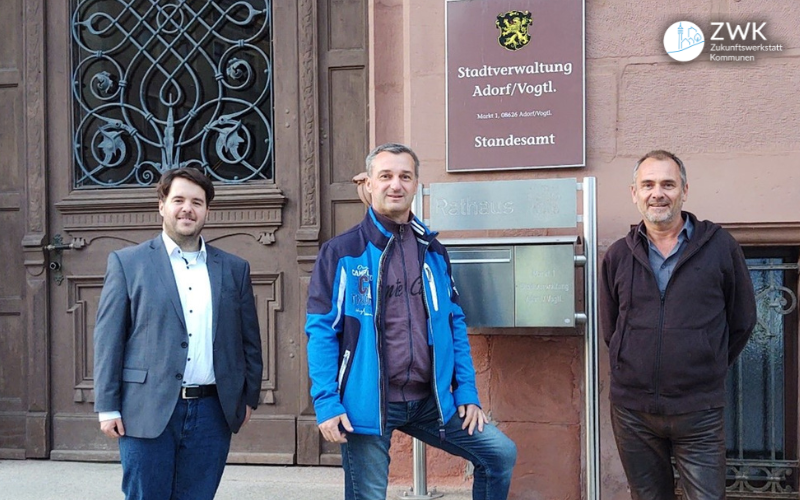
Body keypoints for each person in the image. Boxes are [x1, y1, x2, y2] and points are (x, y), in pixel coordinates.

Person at [305, 143, 517, 500]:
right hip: (367, 402)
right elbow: (322, 329)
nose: (395, 185)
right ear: (369, 184)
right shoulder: (342, 252)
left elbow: (454, 322)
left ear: (416, 184)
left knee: (499, 454)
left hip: (429, 399)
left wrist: (465, 391)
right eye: (385, 176)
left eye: (405, 176)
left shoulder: (432, 250)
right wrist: (327, 401)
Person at [93, 167, 263, 500]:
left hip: (212, 412)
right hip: (145, 409)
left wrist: (249, 397)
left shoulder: (234, 268)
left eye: (197, 202)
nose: (188, 208)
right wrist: (107, 405)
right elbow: (108, 339)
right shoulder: (128, 264)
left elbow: (249, 340)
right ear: (162, 205)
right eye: (179, 200)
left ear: (207, 211)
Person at [600, 150, 757, 500]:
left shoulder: (719, 247)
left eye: (668, 184)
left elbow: (743, 320)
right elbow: (611, 328)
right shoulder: (618, 255)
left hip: (698, 410)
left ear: (685, 191)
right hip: (633, 412)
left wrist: (706, 362)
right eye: (648, 184)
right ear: (634, 193)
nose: (658, 193)